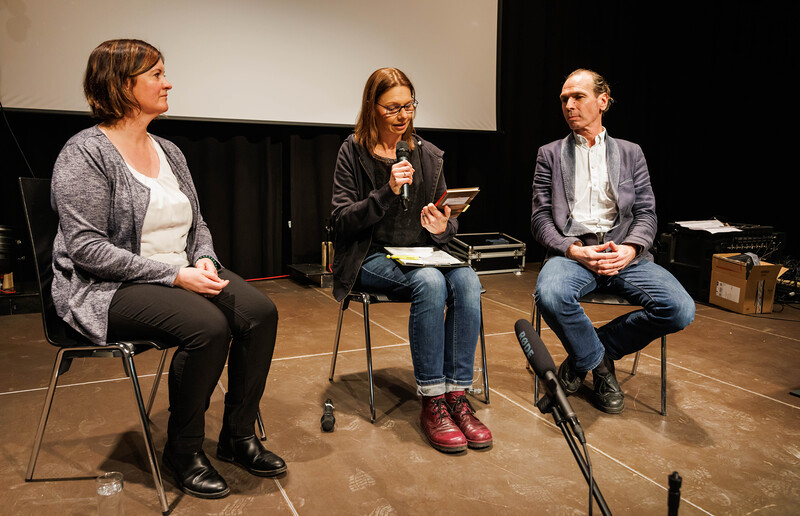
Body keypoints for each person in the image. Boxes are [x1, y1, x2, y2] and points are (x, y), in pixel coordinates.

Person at [50, 39, 285, 499]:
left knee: (260, 313)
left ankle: (238, 436)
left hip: (180, 270)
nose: (168, 83)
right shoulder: (85, 154)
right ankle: (184, 450)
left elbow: (197, 223)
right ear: (123, 85)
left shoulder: (169, 150)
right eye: (156, 74)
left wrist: (204, 258)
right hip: (107, 285)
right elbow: (87, 250)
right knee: (208, 327)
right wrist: (175, 276)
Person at [330, 68, 492, 452]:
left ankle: (456, 395)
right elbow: (341, 221)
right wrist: (386, 191)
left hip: (421, 253)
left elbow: (447, 223)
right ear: (372, 107)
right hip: (369, 256)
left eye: (408, 106)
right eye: (392, 108)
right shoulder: (352, 151)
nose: (403, 115)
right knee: (431, 283)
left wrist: (442, 226)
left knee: (467, 279)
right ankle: (432, 400)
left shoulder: (429, 155)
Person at [531, 68, 695, 414]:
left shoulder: (631, 153)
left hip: (624, 253)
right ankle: (602, 368)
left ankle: (588, 354)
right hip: (574, 253)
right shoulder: (550, 154)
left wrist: (631, 248)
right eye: (564, 99)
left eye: (578, 97)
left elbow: (647, 213)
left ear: (602, 101)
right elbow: (540, 219)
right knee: (550, 294)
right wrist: (573, 250)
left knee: (679, 309)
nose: (569, 106)